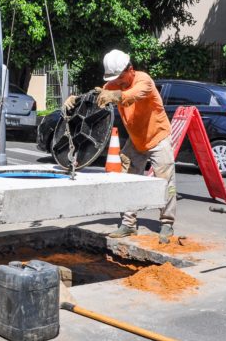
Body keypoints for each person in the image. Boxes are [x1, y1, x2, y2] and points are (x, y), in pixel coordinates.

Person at [64, 49, 176, 243]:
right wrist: (76, 100)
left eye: (120, 78)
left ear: (130, 69)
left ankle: (167, 223)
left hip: (158, 137)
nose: (118, 83)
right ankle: (128, 224)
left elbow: (130, 96)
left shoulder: (144, 81)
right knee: (127, 181)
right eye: (114, 80)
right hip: (136, 140)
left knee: (165, 181)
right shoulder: (114, 84)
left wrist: (113, 95)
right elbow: (97, 96)